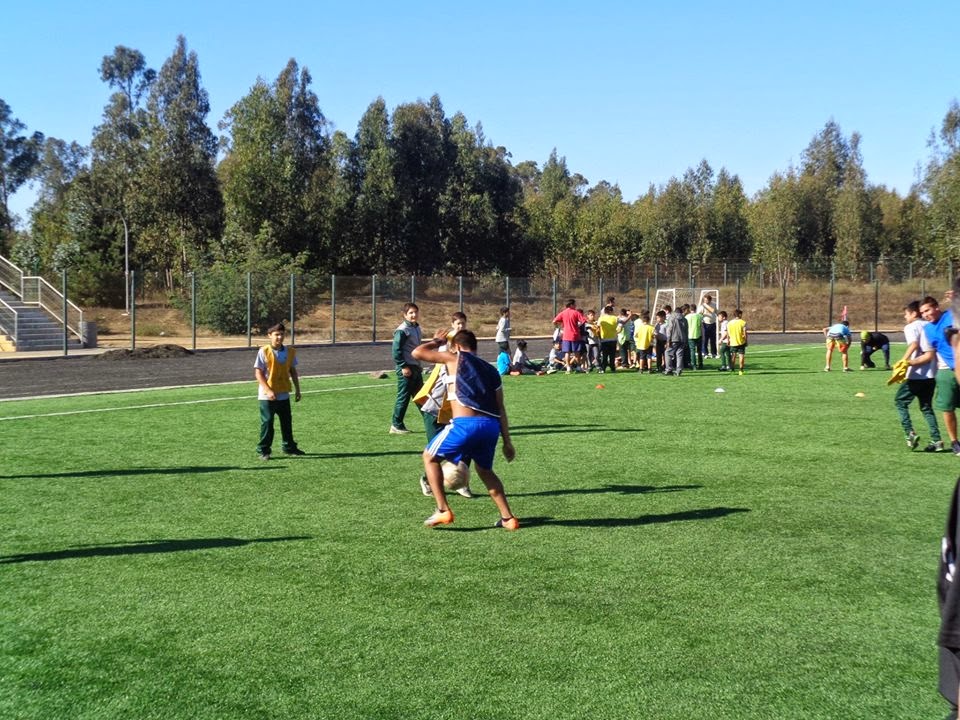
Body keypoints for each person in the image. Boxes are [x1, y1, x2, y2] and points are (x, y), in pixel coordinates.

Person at [412, 329, 519, 530]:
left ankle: (443, 510)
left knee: (429, 457)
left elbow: (417, 353)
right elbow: (501, 407)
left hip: (466, 425)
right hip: (490, 427)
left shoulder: (455, 358)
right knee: (485, 470)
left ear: (457, 347)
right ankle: (508, 518)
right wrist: (507, 441)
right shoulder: (491, 370)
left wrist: (437, 341)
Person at [414, 311, 474, 497]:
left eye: (463, 323)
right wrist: (436, 342)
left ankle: (462, 482)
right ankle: (427, 479)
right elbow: (419, 353)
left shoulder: (466, 355)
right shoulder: (447, 355)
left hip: (454, 412)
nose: (460, 327)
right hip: (434, 409)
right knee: (438, 452)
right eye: (457, 324)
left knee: (466, 446)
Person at [910, 296, 960, 455]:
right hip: (946, 370)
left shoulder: (951, 315)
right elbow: (929, 354)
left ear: (937, 307)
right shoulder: (927, 329)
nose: (925, 315)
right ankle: (955, 443)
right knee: (947, 407)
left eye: (928, 310)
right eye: (922, 313)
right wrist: (908, 363)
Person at [895, 301, 942, 452]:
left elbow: (914, 344)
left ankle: (910, 433)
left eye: (906, 314)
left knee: (900, 402)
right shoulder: (929, 325)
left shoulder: (911, 327)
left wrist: (903, 361)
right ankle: (937, 440)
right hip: (932, 374)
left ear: (914, 313)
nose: (905, 317)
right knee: (926, 407)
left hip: (917, 374)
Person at [254, 323, 304, 460]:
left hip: (283, 393)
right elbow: (258, 373)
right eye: (276, 334)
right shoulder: (264, 351)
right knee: (267, 423)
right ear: (269, 336)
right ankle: (264, 450)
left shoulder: (290, 352)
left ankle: (289, 447)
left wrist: (298, 389)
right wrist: (268, 390)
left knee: (286, 422)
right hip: (267, 396)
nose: (279, 337)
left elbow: (293, 371)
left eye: (282, 334)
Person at [390, 302, 423, 434]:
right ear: (405, 315)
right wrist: (403, 366)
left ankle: (432, 422)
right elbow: (396, 351)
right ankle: (396, 425)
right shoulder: (402, 330)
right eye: (410, 313)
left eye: (415, 312)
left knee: (421, 395)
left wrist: (418, 365)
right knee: (403, 397)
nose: (414, 315)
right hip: (407, 368)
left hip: (415, 367)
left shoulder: (416, 327)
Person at [552, 298, 586, 374]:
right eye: (574, 304)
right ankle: (578, 367)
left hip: (566, 336)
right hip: (575, 335)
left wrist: (559, 326)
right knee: (577, 352)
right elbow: (583, 321)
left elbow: (554, 321)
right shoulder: (576, 312)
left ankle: (568, 368)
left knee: (567, 352)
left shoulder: (563, 313)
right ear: (571, 305)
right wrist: (577, 326)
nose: (575, 306)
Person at [663, 305, 687, 376]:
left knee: (668, 353)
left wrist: (668, 340)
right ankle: (679, 370)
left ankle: (668, 369)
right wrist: (686, 340)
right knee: (679, 354)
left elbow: (669, 329)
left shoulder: (672, 318)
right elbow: (686, 330)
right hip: (683, 339)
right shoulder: (684, 319)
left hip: (674, 338)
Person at [597, 304, 619, 373]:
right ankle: (613, 368)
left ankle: (603, 368)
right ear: (610, 311)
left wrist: (599, 337)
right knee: (612, 355)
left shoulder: (601, 318)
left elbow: (598, 329)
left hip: (604, 339)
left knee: (605, 355)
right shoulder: (615, 318)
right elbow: (620, 325)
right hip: (613, 339)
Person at [727, 309, 747, 375]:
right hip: (741, 342)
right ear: (740, 314)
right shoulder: (743, 322)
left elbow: (728, 333)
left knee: (733, 355)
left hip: (733, 342)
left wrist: (728, 340)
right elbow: (745, 333)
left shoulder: (729, 323)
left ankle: (732, 368)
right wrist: (746, 340)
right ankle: (741, 370)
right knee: (741, 356)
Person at [699, 294, 718, 358]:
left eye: (706, 300)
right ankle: (705, 353)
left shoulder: (714, 304)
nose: (705, 301)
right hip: (705, 324)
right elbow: (699, 314)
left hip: (713, 324)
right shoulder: (702, 306)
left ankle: (714, 353)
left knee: (713, 340)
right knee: (705, 340)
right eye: (704, 300)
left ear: (710, 300)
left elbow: (714, 311)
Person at [685, 303, 703, 369]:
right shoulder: (700, 316)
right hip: (698, 334)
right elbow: (701, 326)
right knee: (699, 350)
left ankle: (694, 365)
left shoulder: (687, 317)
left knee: (692, 350)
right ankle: (700, 364)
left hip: (690, 335)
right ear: (696, 309)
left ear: (690, 309)